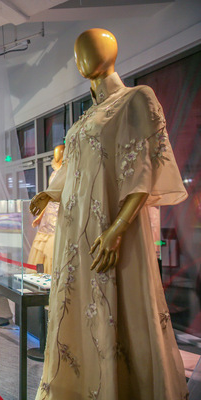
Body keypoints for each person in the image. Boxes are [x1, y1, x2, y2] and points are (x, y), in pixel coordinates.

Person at [30, 28, 188, 399]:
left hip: (110, 231)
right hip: (74, 235)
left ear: (111, 53)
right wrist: (50, 193)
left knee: (118, 308)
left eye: (89, 49)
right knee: (76, 311)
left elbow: (142, 173)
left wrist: (117, 229)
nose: (82, 58)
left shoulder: (135, 98)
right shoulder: (85, 118)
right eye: (78, 52)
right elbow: (75, 171)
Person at [27, 144, 64, 274]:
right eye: (56, 153)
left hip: (61, 213)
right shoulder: (54, 173)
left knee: (54, 248)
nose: (57, 156)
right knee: (42, 248)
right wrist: (41, 215)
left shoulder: (68, 173)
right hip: (49, 214)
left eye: (60, 153)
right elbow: (49, 197)